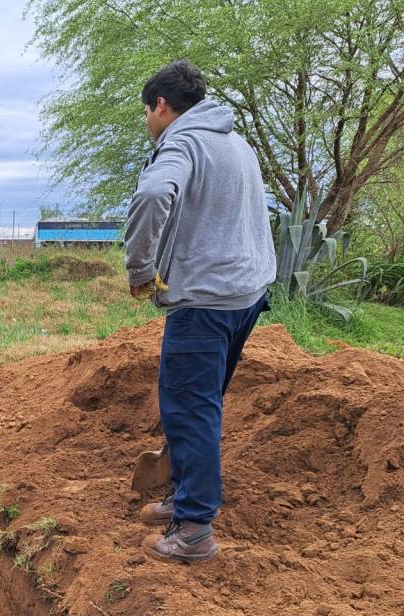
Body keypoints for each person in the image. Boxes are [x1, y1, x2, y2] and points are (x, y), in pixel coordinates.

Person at [125, 60, 276, 564]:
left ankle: (194, 530)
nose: (148, 122)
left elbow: (151, 192)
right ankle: (181, 496)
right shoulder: (237, 144)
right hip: (247, 295)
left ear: (162, 106)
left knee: (190, 409)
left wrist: (140, 270)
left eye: (147, 112)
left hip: (205, 301)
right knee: (200, 403)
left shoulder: (183, 142)